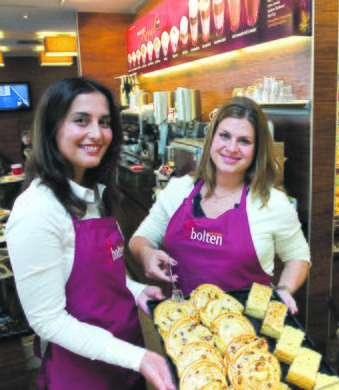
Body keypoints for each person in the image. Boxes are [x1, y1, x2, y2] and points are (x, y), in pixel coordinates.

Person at [5, 77, 176, 390]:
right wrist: (134, 357)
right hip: (85, 374)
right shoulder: (37, 210)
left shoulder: (93, 193)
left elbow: (101, 273)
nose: (96, 134)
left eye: (104, 122)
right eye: (81, 120)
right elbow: (47, 320)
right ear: (53, 128)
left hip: (125, 356)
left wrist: (138, 291)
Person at [130, 96, 310, 313]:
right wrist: (146, 254)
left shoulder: (273, 203)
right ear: (212, 139)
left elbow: (298, 257)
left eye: (244, 141)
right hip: (183, 327)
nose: (232, 148)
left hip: (246, 330)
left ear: (257, 149)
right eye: (224, 136)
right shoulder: (179, 190)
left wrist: (284, 289)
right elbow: (140, 239)